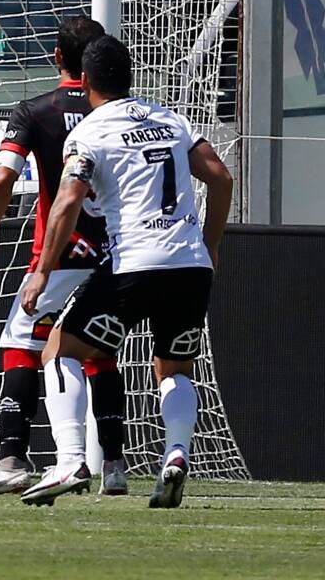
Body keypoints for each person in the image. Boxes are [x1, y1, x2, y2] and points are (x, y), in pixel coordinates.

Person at [17, 35, 233, 508]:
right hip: (190, 266)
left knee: (58, 349)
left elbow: (68, 201)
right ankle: (175, 455)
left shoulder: (90, 133)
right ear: (131, 77)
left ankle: (71, 459)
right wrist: (209, 245)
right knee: (174, 367)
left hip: (133, 263)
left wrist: (42, 271)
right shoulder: (170, 119)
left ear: (86, 80)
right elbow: (220, 177)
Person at [0, 16, 129, 497]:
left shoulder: (37, 111)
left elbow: (2, 180)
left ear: (57, 57)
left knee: (21, 347)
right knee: (97, 353)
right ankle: (114, 465)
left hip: (57, 256)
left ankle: (13, 459)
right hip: (114, 254)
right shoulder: (122, 115)